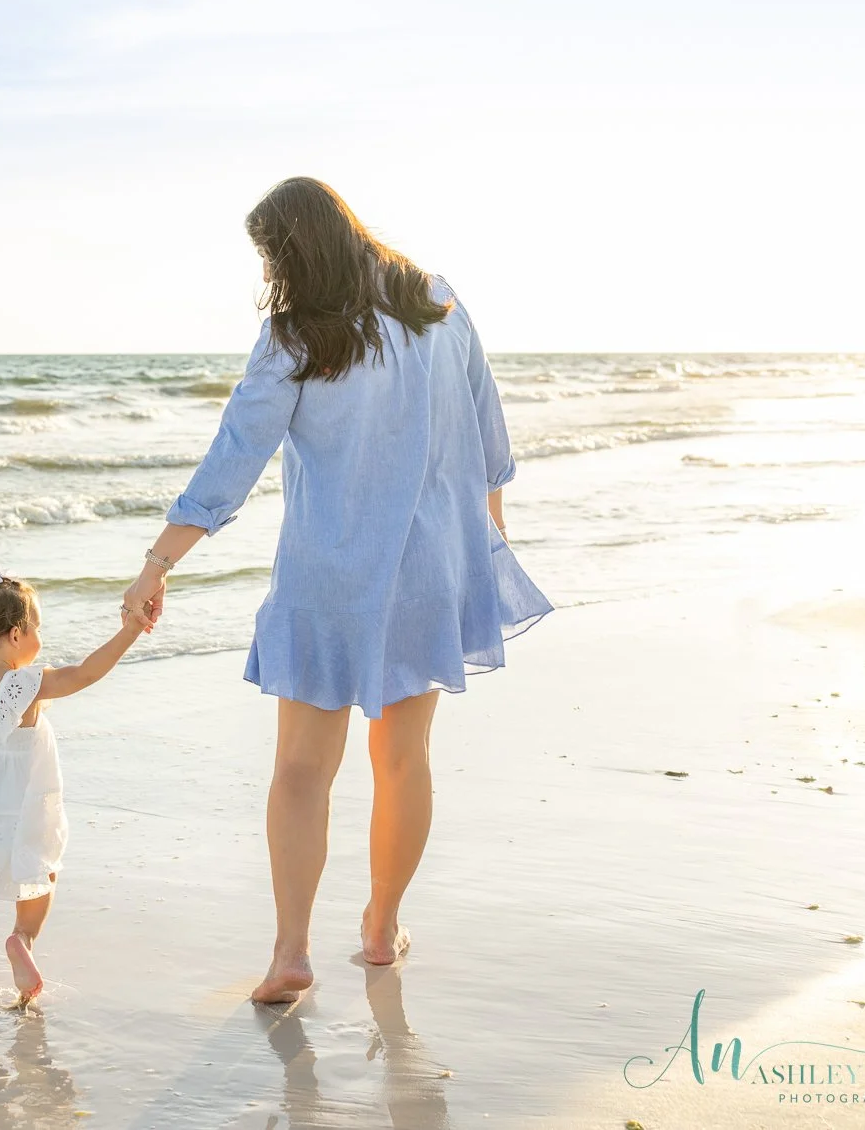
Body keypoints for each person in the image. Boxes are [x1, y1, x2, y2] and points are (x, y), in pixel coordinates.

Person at [122, 177, 551, 1005]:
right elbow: (490, 436)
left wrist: (158, 561)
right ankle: (382, 927)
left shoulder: (295, 333)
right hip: (430, 572)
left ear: (296, 252)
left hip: (329, 574)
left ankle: (290, 953)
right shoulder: (437, 300)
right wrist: (484, 546)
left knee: (300, 770)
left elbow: (234, 458)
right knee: (403, 760)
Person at [0, 563, 149, 1005]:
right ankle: (22, 939)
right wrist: (130, 630)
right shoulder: (23, 684)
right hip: (20, 806)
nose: (39, 637)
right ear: (14, 635)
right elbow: (85, 673)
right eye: (36, 628)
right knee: (41, 872)